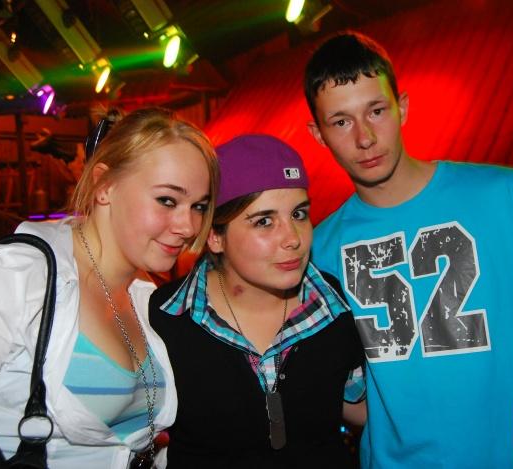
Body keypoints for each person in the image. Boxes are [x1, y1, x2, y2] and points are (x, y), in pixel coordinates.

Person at [304, 31, 513, 468]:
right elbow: (340, 392)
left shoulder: (507, 194)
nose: (364, 137)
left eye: (376, 111)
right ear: (318, 134)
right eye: (341, 121)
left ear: (402, 107)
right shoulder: (319, 250)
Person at [0, 107, 218, 469]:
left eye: (199, 206)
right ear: (104, 186)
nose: (188, 226)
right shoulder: (16, 275)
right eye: (167, 200)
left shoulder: (145, 293)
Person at [149, 134, 366, 468]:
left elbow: (359, 405)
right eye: (264, 221)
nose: (293, 239)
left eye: (299, 214)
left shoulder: (337, 306)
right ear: (214, 236)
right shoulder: (164, 318)